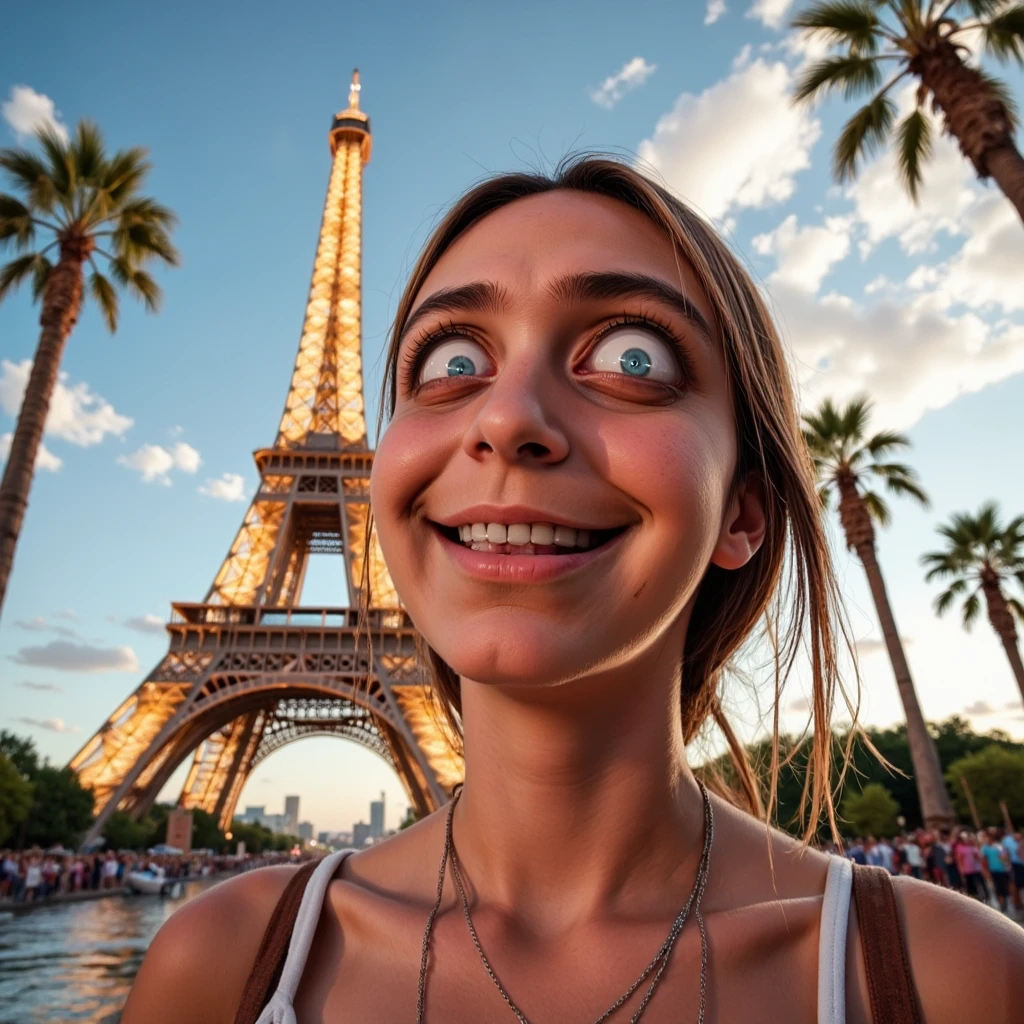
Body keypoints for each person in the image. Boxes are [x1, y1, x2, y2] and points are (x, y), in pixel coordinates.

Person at [122, 156, 1024, 1023]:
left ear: (743, 510)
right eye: (448, 362)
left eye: (633, 357)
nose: (508, 417)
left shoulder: (958, 981)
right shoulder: (223, 961)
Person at [981, 829, 1012, 914]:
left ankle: (1005, 902)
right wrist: (985, 871)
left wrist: (1005, 859)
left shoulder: (999, 846)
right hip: (993, 870)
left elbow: (1005, 857)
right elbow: (983, 860)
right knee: (997, 888)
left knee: (1005, 887)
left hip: (1003, 870)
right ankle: (1001, 905)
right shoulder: (985, 848)